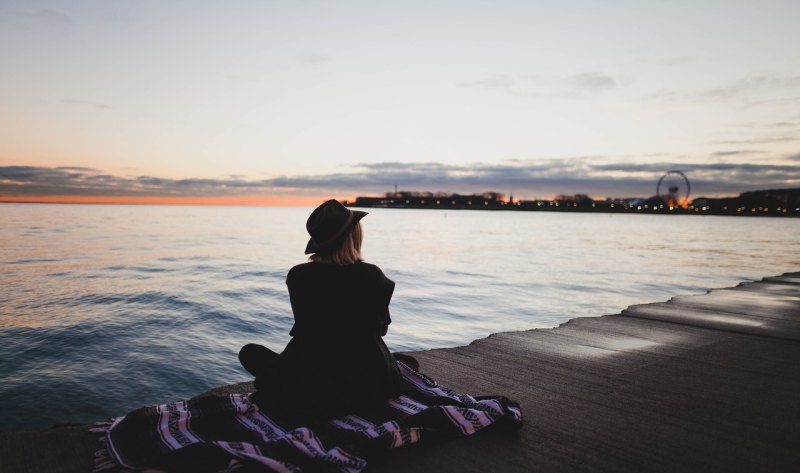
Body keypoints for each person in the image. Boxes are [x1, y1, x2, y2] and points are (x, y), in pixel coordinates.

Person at [238, 199, 403, 420]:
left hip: (312, 381)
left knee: (250, 352)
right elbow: (381, 329)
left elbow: (304, 326)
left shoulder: (298, 276)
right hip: (370, 382)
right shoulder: (374, 276)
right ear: (354, 237)